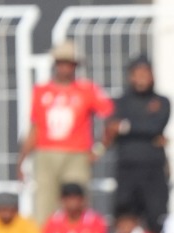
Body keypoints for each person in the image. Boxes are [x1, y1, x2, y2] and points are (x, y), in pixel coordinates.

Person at [23, 41, 110, 220]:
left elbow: (111, 116)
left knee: (76, 202)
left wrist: (100, 148)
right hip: (45, 153)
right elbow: (35, 127)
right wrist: (22, 158)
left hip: (77, 154)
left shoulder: (87, 89)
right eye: (61, 63)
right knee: (44, 203)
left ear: (75, 66)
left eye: (69, 64)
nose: (65, 68)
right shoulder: (41, 91)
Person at [106, 56, 172, 229]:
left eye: (145, 73)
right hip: (127, 169)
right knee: (125, 218)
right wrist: (144, 124)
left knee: (155, 219)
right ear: (131, 76)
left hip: (153, 170)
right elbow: (112, 127)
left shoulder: (162, 102)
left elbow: (155, 126)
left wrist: (125, 126)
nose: (142, 78)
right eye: (138, 74)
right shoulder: (120, 102)